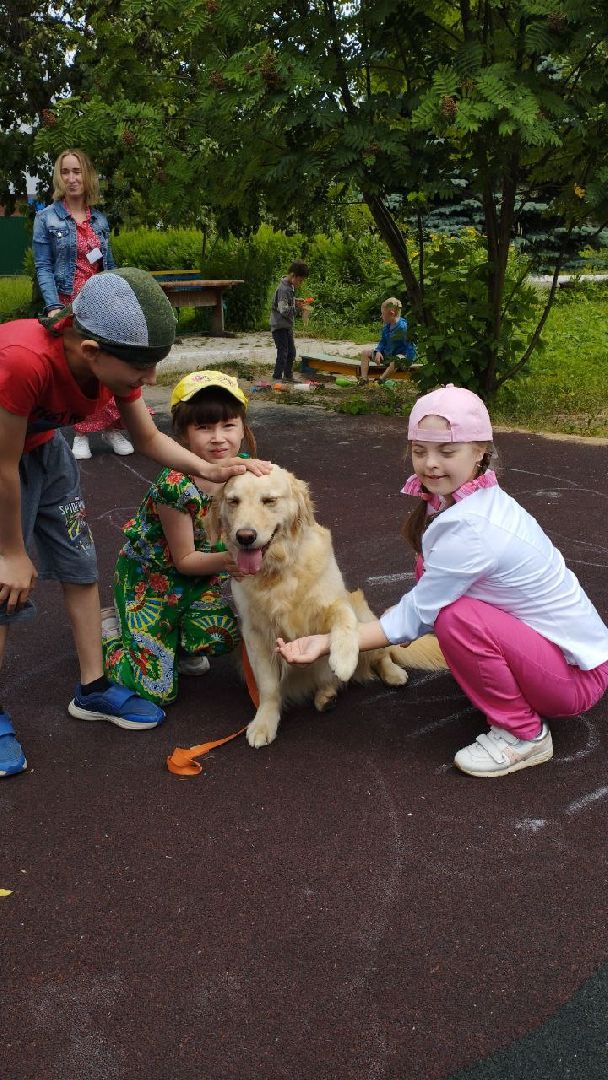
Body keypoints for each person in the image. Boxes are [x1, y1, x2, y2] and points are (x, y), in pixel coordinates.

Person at [0, 267, 271, 778]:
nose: (148, 382)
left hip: (44, 451)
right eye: (141, 371)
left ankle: (94, 687)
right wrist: (12, 551)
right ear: (91, 352)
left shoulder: (110, 362)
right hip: (1, 461)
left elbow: (148, 440)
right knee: (3, 588)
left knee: (81, 566)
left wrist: (207, 468)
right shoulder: (22, 361)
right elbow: (2, 467)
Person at [276, 384, 608, 778]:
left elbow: (416, 615)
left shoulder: (473, 528)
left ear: (480, 451)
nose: (430, 464)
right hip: (566, 657)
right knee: (439, 591)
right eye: (420, 451)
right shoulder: (471, 498)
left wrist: (330, 641)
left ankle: (525, 735)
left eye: (446, 452)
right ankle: (507, 687)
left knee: (455, 617)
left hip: (574, 680)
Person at [102, 370, 258, 705]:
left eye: (228, 425)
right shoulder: (175, 485)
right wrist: (235, 560)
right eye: (204, 427)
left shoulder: (244, 472)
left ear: (243, 428)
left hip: (197, 582)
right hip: (151, 582)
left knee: (223, 634)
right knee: (156, 692)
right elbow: (185, 561)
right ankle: (110, 634)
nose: (218, 437)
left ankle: (175, 642)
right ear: (184, 435)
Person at [32, 148, 134, 461]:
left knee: (109, 362)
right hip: (69, 304)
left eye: (77, 171)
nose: (72, 178)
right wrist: (52, 306)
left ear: (85, 175)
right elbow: (43, 267)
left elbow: (108, 263)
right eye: (66, 172)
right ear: (59, 177)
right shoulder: (46, 218)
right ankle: (81, 433)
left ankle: (113, 428)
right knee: (81, 367)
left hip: (102, 303)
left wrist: (120, 297)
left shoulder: (99, 219)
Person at [359, 297, 416, 383]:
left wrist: (408, 361)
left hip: (400, 361)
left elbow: (410, 348)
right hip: (388, 357)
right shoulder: (387, 326)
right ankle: (364, 379)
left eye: (383, 314)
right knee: (365, 353)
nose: (381, 316)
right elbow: (382, 342)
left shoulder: (403, 328)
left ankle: (381, 379)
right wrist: (378, 351)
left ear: (391, 314)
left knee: (397, 359)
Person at [270, 259, 309, 382]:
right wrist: (297, 308)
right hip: (279, 326)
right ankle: (277, 377)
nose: (300, 283)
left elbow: (287, 301)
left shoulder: (289, 286)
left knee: (291, 352)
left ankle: (288, 376)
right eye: (300, 280)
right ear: (293, 275)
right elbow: (283, 309)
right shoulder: (283, 289)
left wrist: (296, 300)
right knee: (283, 353)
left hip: (286, 326)